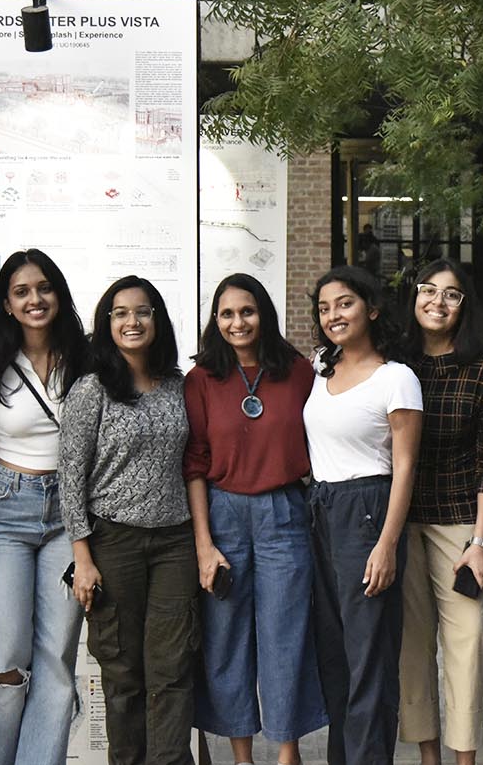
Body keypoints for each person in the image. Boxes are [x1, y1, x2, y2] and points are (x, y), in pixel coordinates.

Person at [184, 273, 327, 765]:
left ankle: (287, 751)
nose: (237, 322)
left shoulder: (299, 372)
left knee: (286, 635)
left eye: (247, 311)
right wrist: (204, 544)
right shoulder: (202, 379)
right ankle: (241, 756)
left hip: (283, 511)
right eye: (226, 314)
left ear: (263, 313)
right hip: (222, 513)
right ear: (215, 320)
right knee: (226, 640)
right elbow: (195, 462)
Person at [59, 276, 195, 765]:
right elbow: (70, 476)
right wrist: (83, 558)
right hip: (113, 542)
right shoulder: (92, 389)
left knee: (172, 670)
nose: (132, 321)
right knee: (122, 673)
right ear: (107, 323)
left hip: (175, 543)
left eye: (142, 311)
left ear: (157, 320)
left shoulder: (179, 387)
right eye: (120, 313)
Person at [0, 249, 91, 765]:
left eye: (43, 288)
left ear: (58, 293)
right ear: (7, 303)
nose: (34, 299)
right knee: (5, 661)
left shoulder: (86, 359)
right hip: (7, 508)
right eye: (21, 291)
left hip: (70, 514)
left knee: (56, 659)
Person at [302, 265, 422, 765]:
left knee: (369, 657)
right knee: (334, 655)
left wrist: (387, 544)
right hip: (321, 510)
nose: (334, 315)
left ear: (371, 309)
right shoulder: (320, 368)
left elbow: (406, 466)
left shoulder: (396, 378)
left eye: (345, 303)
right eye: (324, 307)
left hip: (368, 510)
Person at [398, 260, 483, 765]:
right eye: (428, 290)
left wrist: (480, 543)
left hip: (459, 522)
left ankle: (464, 758)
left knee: (468, 640)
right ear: (414, 296)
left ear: (465, 305)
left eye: (452, 294)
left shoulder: (482, 367)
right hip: (400, 523)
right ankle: (428, 756)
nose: (437, 302)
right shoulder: (393, 363)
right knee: (412, 645)